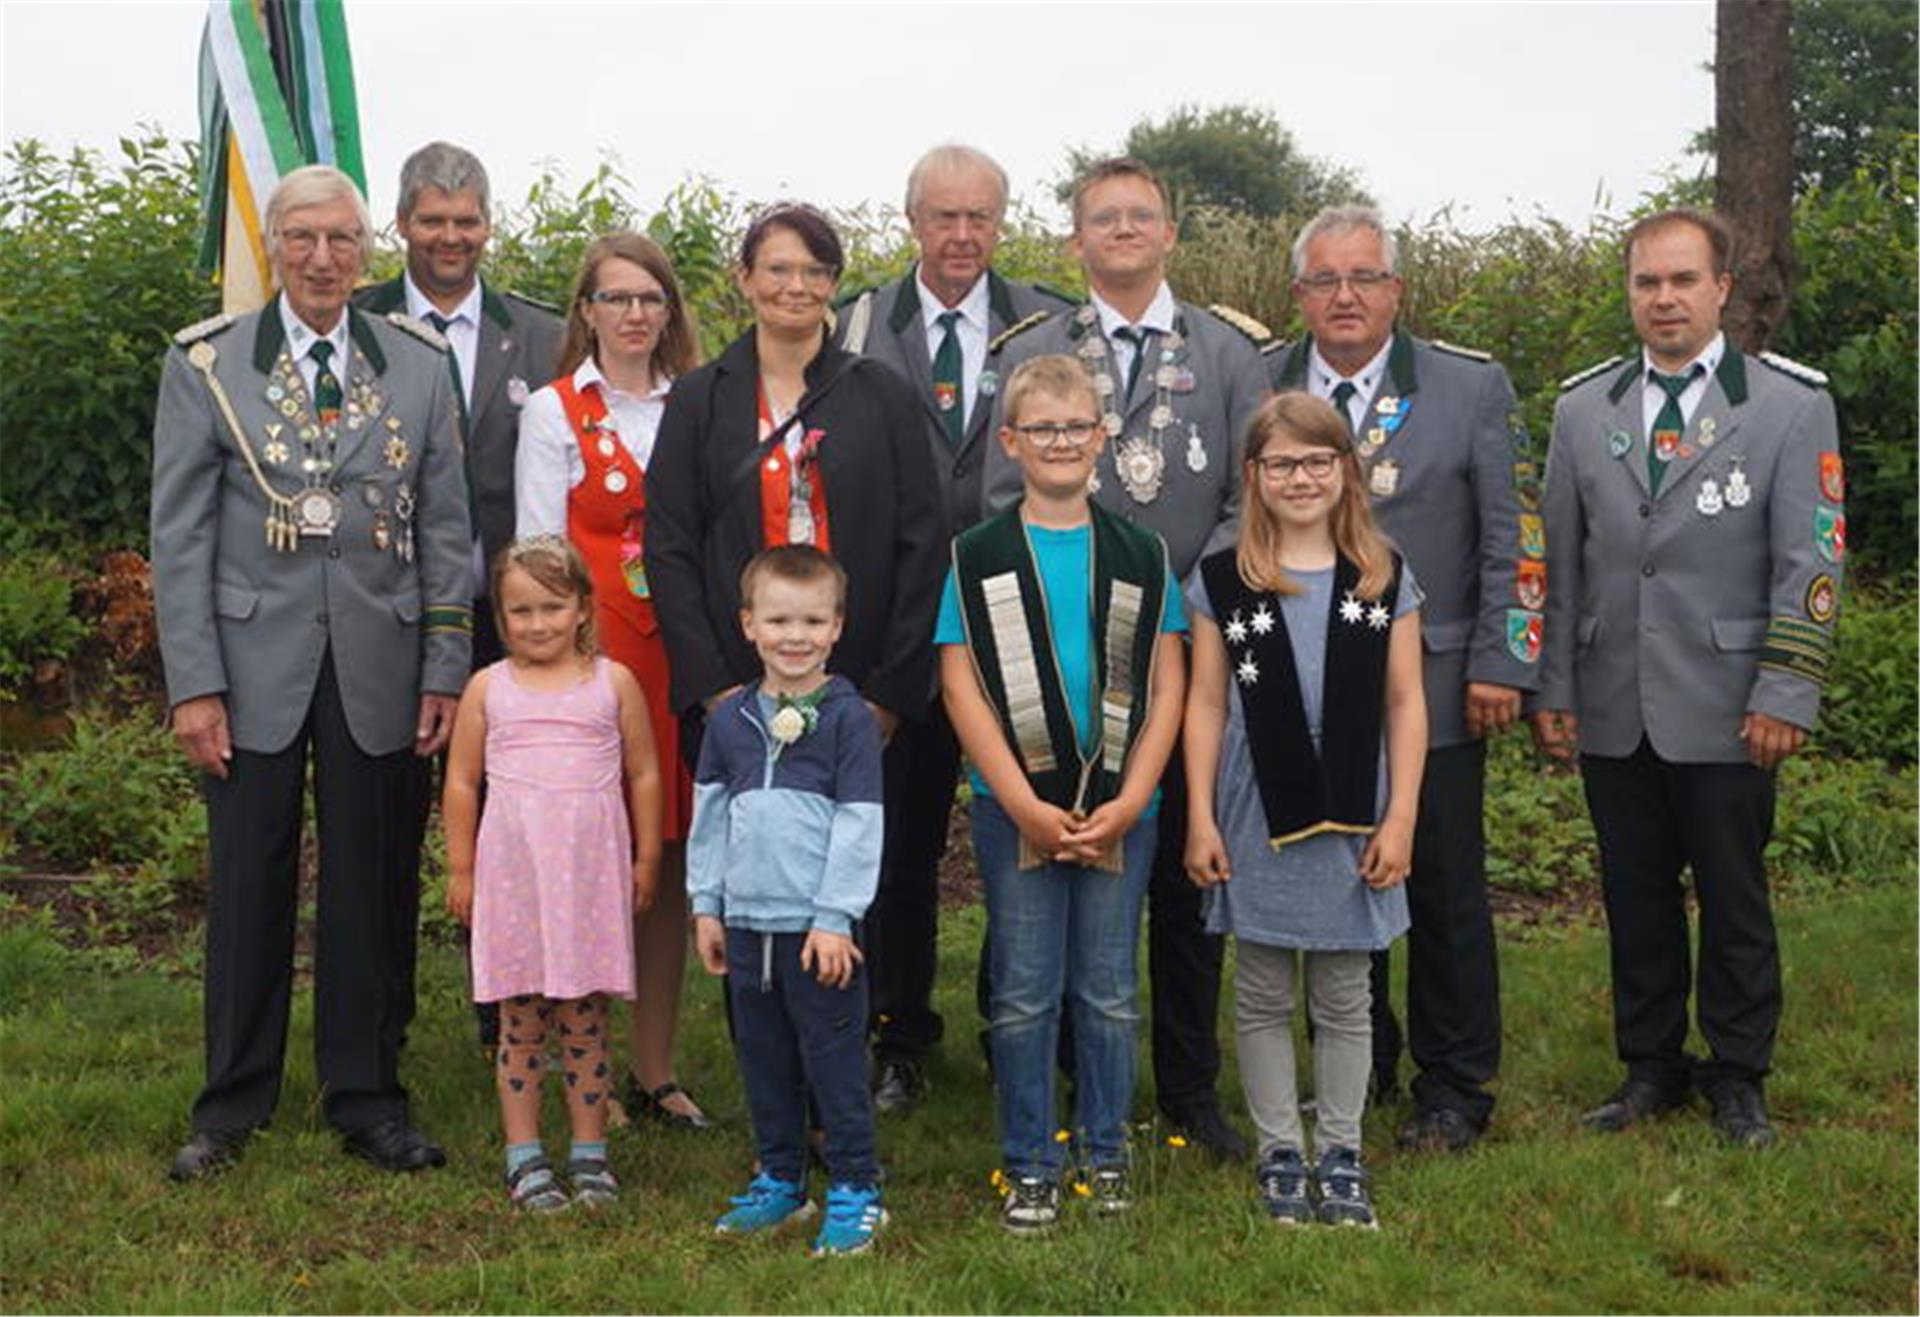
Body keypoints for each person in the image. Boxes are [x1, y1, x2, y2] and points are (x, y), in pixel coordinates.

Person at [154, 164, 469, 1180]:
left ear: (367, 247)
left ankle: (368, 1095)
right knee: (249, 885)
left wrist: (446, 666)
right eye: (302, 239)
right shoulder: (207, 366)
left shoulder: (417, 366)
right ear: (274, 247)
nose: (324, 259)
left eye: (341, 240)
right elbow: (182, 538)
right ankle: (231, 1105)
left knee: (373, 889)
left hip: (380, 660)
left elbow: (450, 530)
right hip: (249, 667)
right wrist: (194, 683)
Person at [1534, 208, 1842, 1148]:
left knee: (1733, 889)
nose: (1663, 299)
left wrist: (1787, 688)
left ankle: (1738, 1072)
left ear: (1722, 289)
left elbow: (1813, 558)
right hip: (1614, 697)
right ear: (1629, 292)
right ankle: (1652, 1065)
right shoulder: (1584, 409)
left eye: (1681, 281)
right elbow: (1557, 559)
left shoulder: (1788, 406)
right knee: (1634, 889)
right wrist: (1554, 688)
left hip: (1731, 699)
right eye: (1645, 282)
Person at [984, 158, 1270, 1159]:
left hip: (1191, 651)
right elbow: (994, 496)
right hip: (1061, 657)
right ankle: (1064, 1080)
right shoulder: (1032, 351)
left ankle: (1190, 1091)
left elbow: (1255, 495)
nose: (1122, 230)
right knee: (1062, 859)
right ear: (1075, 240)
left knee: (1190, 876)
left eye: (1140, 215)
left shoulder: (1232, 353)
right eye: (1102, 217)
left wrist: (1189, 608)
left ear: (1170, 233)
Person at [1265, 205, 1538, 1152]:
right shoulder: (1265, 381)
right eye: (1326, 280)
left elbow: (1513, 532)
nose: (1346, 297)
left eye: (1365, 278)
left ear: (1396, 291)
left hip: (1439, 680)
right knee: (1341, 875)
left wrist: (1505, 660)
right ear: (1298, 294)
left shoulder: (1469, 386)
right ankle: (1362, 1060)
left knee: (1444, 887)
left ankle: (1456, 1084)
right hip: (1303, 684)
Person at [834, 144, 1074, 1113]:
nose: (963, 236)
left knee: (1036, 823)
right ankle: (899, 1034)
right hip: (899, 621)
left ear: (1001, 223)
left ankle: (1018, 1020)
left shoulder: (1048, 320)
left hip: (1021, 618)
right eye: (945, 217)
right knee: (896, 839)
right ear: (912, 222)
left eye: (980, 217)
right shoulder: (860, 320)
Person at [942, 354, 1188, 1232]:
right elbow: (962, 684)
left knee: (1110, 987)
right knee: (1022, 990)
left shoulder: (1139, 553)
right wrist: (1018, 801)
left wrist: (1136, 797)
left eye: (1075, 427)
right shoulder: (978, 556)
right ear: (1011, 442)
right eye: (1040, 429)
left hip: (1127, 804)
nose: (1058, 442)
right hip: (1017, 808)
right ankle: (1031, 1160)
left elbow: (1169, 684)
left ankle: (1107, 1150)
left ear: (1103, 438)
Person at [1184, 392, 1426, 1230]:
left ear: (1345, 471)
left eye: (1317, 460)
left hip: (1357, 808)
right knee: (1257, 989)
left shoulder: (1382, 575)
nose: (1300, 476)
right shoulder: (1225, 580)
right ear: (1253, 475)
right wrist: (1201, 817)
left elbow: (1405, 704)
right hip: (1256, 804)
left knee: (1344, 992)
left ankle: (1343, 1148)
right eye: (1282, 463)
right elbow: (1206, 704)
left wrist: (1400, 820)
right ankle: (1279, 1148)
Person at [356, 140, 565, 1059]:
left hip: (511, 622)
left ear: (489, 225)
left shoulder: (548, 335)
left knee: (512, 817)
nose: (451, 237)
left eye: (467, 220)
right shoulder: (355, 325)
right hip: (382, 613)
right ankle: (381, 1016)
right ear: (401, 225)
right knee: (389, 820)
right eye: (433, 219)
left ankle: (507, 1014)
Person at [645, 203, 945, 792]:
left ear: (833, 283)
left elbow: (924, 544)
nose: (796, 287)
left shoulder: (882, 394)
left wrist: (887, 697)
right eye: (778, 269)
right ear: (746, 278)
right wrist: (715, 693)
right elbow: (670, 545)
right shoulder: (698, 400)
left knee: (869, 874)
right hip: (736, 688)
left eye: (815, 271)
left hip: (861, 686)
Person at [515, 232, 711, 1130]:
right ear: (586, 312)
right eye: (616, 298)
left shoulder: (701, 405)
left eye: (650, 298)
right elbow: (536, 551)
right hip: (592, 667)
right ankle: (579, 1064)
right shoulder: (554, 412)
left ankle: (655, 1067)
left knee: (665, 857)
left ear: (670, 312)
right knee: (589, 863)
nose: (634, 314)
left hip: (684, 659)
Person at [441, 537, 663, 1210]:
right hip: (516, 881)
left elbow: (644, 771)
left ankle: (591, 1156)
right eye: (520, 611)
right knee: (522, 1019)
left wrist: (647, 856)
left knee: (586, 1017)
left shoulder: (611, 683)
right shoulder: (488, 688)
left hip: (589, 879)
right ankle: (525, 1156)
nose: (537, 623)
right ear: (501, 616)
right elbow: (460, 781)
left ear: (584, 608)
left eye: (552, 607)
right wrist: (462, 867)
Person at [690, 546, 888, 1257]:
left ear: (836, 626)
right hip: (747, 923)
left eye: (811, 619)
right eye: (778, 619)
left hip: (816, 930)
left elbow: (862, 822)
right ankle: (780, 1178)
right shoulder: (729, 720)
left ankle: (858, 1187)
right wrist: (706, 904)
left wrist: (835, 916)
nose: (794, 635)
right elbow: (709, 815)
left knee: (832, 1059)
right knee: (764, 1059)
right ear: (749, 624)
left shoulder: (848, 719)